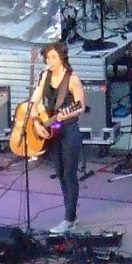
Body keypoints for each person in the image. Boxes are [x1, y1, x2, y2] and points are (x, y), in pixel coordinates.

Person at [30, 41, 85, 234]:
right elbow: (34, 101)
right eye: (47, 57)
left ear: (62, 58)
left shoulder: (72, 79)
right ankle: (71, 214)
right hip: (51, 130)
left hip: (69, 130)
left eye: (53, 57)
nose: (50, 61)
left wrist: (65, 115)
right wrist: (36, 121)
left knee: (70, 174)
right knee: (60, 173)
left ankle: (69, 220)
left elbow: (80, 106)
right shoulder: (45, 76)